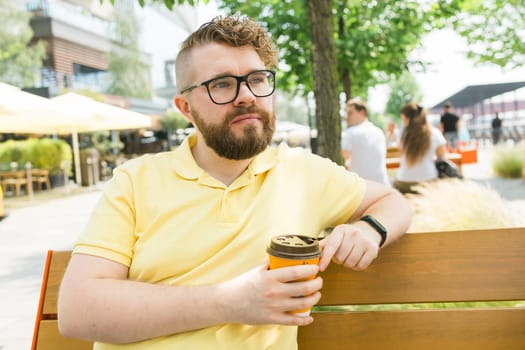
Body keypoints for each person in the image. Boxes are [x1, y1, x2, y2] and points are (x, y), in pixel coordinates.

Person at [58, 15, 412, 350]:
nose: (247, 95)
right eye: (222, 84)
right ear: (185, 107)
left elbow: (393, 203)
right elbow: (78, 309)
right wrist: (230, 302)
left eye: (257, 79)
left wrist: (369, 230)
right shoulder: (136, 181)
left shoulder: (304, 173)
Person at [393, 102, 447, 194]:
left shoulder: (402, 134)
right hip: (428, 180)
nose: (404, 123)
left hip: (404, 181)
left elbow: (402, 153)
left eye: (404, 119)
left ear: (409, 119)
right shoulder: (434, 133)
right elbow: (442, 157)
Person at [341, 99, 390, 186]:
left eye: (350, 113)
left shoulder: (350, 132)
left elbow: (345, 157)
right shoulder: (379, 131)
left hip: (361, 188)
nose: (347, 117)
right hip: (383, 184)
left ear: (362, 113)